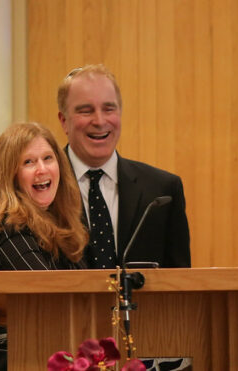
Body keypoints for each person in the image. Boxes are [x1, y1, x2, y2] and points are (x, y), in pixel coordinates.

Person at [0, 122, 89, 370]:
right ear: (10, 175)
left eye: (48, 158)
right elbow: (51, 295)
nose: (42, 169)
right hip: (23, 360)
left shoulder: (60, 223)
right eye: (29, 162)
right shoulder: (5, 225)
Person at [56, 64, 191, 269]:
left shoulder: (162, 191)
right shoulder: (41, 189)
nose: (100, 121)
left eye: (109, 109)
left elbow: (180, 284)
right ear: (64, 121)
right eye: (86, 111)